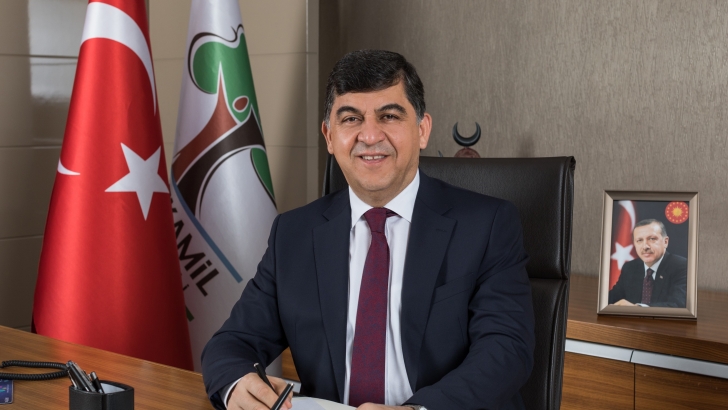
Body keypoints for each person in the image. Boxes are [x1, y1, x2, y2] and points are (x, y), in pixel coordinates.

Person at [201, 50, 535, 410]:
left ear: (422, 130)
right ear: (330, 137)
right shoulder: (294, 234)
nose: (370, 135)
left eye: (389, 116)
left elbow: (506, 349)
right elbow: (232, 343)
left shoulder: (487, 225)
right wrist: (237, 384)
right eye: (351, 119)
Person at [609, 219, 687, 308]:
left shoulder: (682, 267)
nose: (645, 246)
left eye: (652, 239)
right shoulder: (630, 267)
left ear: (665, 242)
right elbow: (611, 298)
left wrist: (637, 309)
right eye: (639, 240)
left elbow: (677, 305)